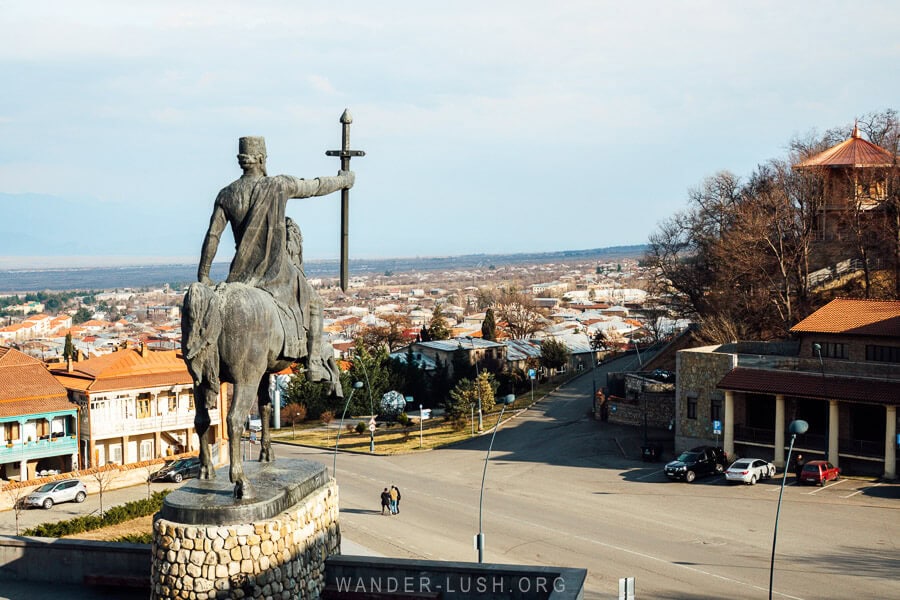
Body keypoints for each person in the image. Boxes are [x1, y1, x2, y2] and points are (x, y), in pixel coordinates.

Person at [197, 136, 353, 386]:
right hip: (276, 273)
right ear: (261, 159)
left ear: (242, 161)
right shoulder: (278, 185)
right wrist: (344, 180)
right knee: (314, 304)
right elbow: (315, 186)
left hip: (240, 276)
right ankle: (313, 363)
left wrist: (203, 275)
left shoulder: (227, 194)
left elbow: (213, 236)